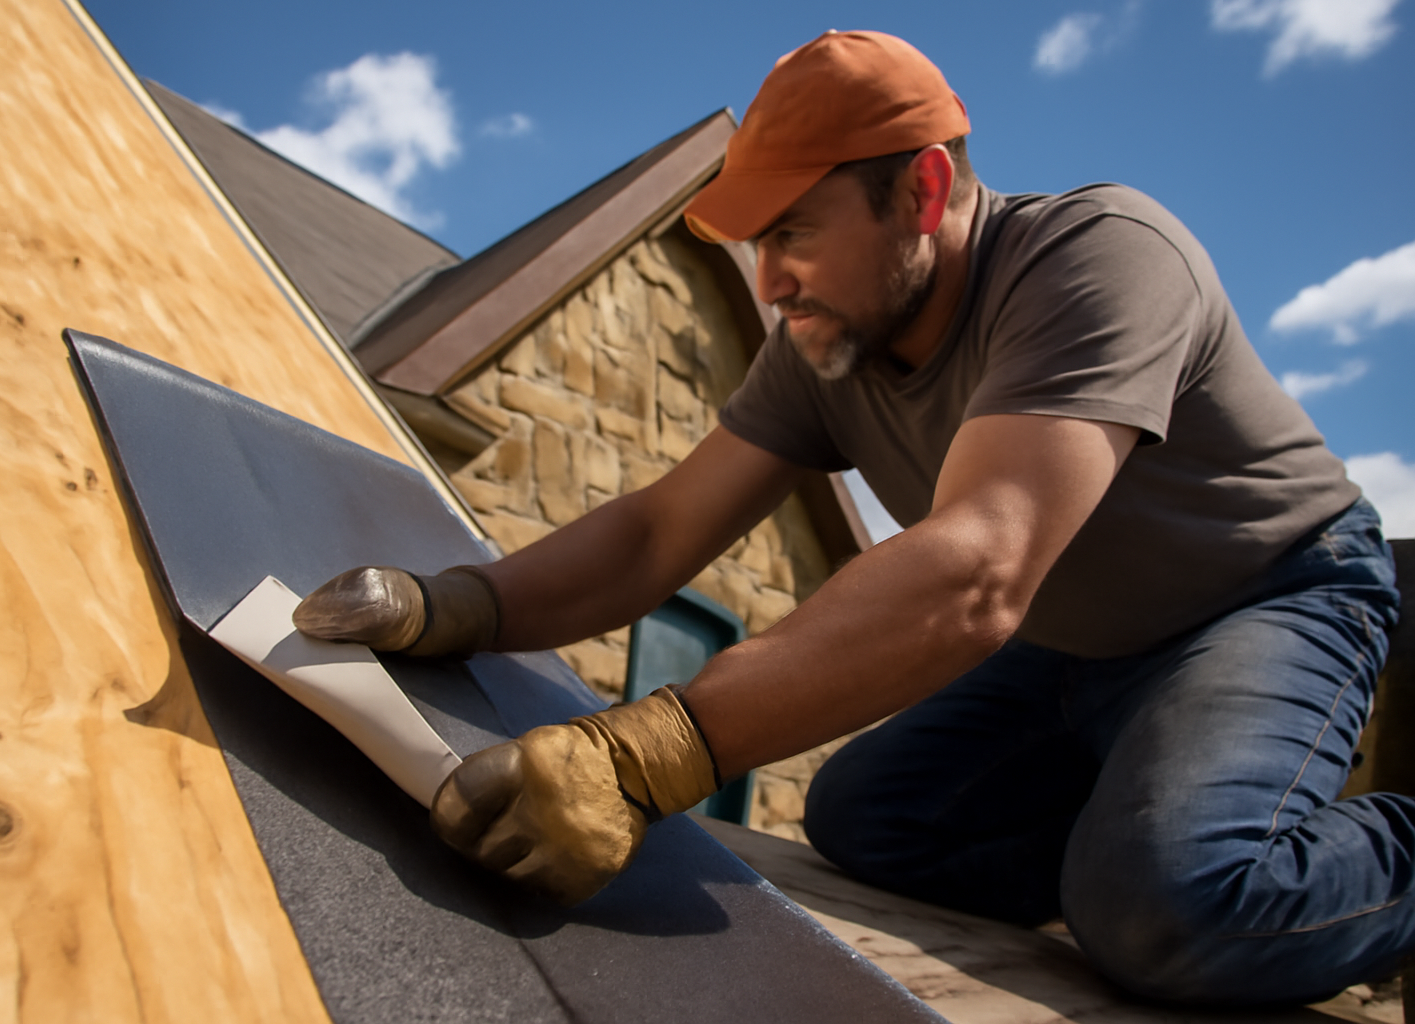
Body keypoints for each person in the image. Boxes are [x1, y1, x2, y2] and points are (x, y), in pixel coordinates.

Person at [292, 31, 1412, 1005]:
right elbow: (657, 531)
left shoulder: (1101, 257)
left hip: (1265, 595)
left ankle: (1203, 864)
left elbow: (980, 571)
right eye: (756, 245)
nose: (768, 279)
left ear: (922, 193)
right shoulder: (827, 345)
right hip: (1079, 646)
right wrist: (461, 603)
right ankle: (1139, 830)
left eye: (793, 233)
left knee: (1173, 909)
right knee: (872, 821)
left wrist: (651, 755)